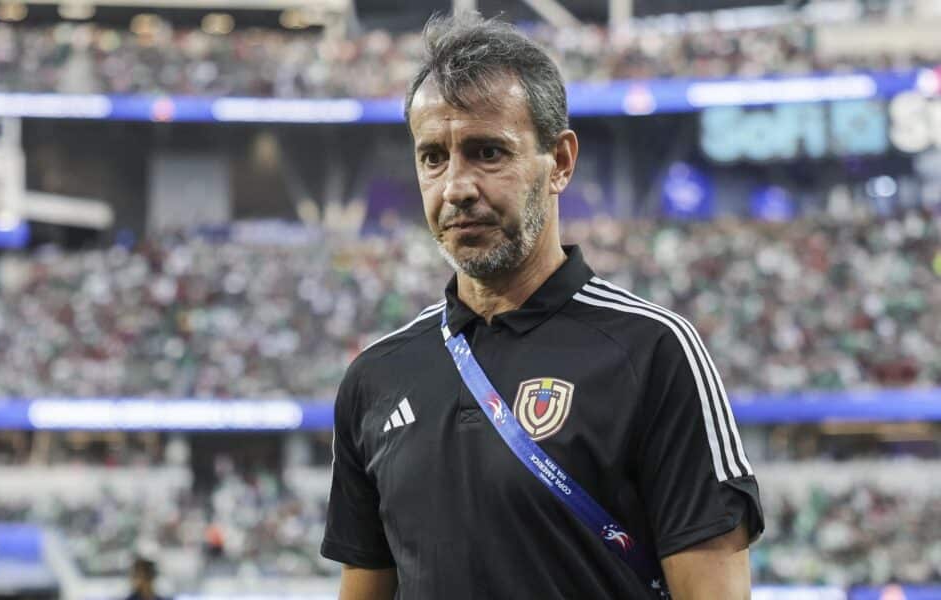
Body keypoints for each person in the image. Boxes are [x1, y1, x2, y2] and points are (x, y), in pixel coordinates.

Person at [321, 12, 763, 599]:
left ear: (559, 162)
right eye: (433, 157)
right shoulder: (374, 378)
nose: (456, 186)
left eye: (487, 152)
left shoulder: (655, 351)